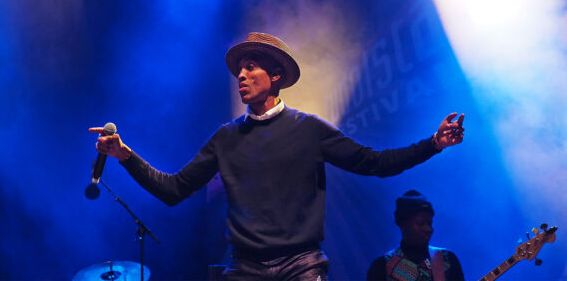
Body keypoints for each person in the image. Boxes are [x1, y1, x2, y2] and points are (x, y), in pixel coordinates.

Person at [90, 32, 465, 281]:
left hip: (301, 265)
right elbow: (174, 190)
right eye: (239, 69)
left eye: (251, 67)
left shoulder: (308, 129)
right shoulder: (226, 137)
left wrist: (433, 143)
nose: (241, 74)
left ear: (276, 76)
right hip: (244, 268)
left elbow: (376, 163)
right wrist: (124, 155)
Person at [366, 190, 465, 281]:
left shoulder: (447, 259)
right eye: (420, 223)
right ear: (403, 224)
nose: (429, 229)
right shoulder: (382, 266)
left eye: (430, 223)